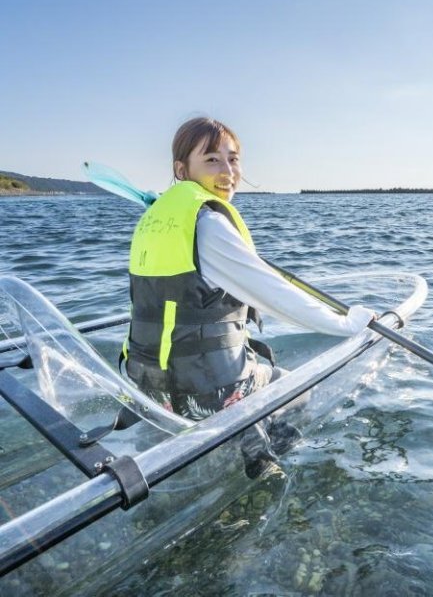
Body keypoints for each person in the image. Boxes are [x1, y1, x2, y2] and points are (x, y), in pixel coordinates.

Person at [123, 117, 375, 475]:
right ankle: (261, 460)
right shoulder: (207, 223)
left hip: (150, 389)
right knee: (294, 389)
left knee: (253, 362)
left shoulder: (156, 220)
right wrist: (348, 324)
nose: (228, 170)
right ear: (182, 169)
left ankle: (246, 442)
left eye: (234, 158)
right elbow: (277, 296)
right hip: (202, 397)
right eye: (211, 160)